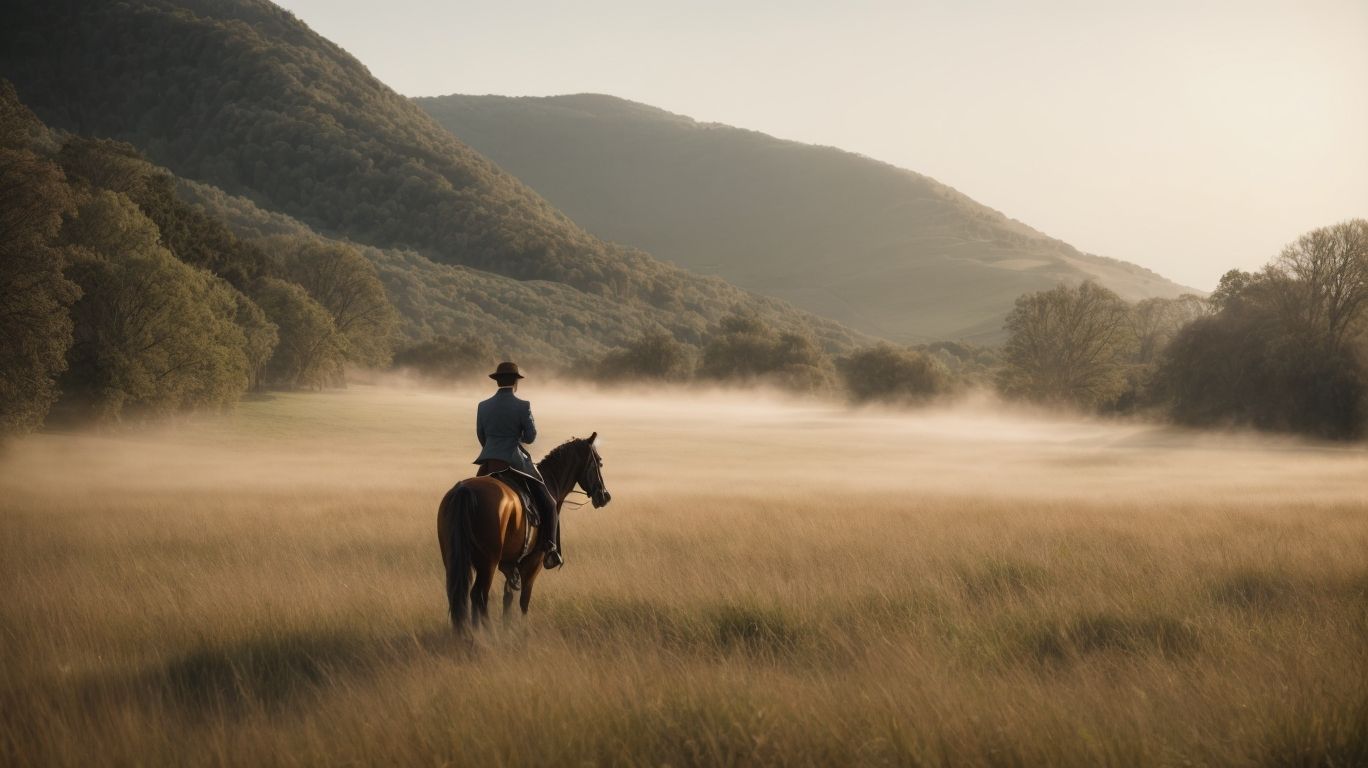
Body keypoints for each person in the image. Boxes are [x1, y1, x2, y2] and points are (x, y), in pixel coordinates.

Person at [474, 361, 562, 569]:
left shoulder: (483, 406)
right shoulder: (523, 406)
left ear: (497, 381)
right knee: (549, 503)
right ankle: (550, 548)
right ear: (516, 383)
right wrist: (517, 434)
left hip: (489, 462)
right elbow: (530, 437)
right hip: (514, 462)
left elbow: (481, 435)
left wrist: (493, 448)